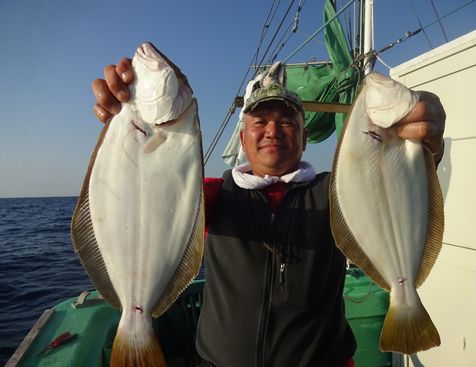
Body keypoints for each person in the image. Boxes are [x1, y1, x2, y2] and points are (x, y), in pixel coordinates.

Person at [91, 58, 446, 367]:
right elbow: (150, 198)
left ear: (304, 138)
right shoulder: (212, 196)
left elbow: (386, 188)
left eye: (287, 121)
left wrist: (419, 142)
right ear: (243, 139)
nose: (273, 130)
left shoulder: (336, 193)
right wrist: (128, 122)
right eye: (259, 121)